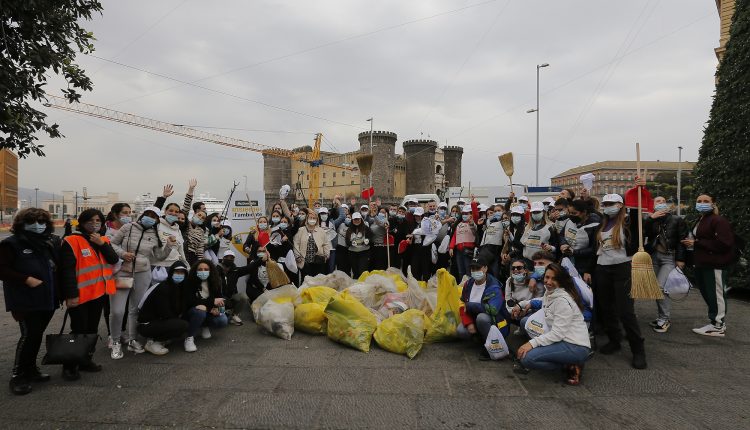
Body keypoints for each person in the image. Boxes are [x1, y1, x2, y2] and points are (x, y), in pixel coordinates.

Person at [0, 208, 61, 395]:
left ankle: (31, 369)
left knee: (36, 335)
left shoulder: (47, 243)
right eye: (32, 221)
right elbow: (2, 269)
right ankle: (18, 375)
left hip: (47, 298)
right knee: (28, 335)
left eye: (42, 221)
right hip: (24, 299)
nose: (38, 225)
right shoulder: (11, 244)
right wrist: (26, 279)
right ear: (21, 223)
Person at [58, 209, 119, 381]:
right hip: (79, 295)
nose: (95, 223)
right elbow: (67, 271)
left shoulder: (103, 239)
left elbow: (113, 259)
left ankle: (85, 360)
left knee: (91, 329)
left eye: (98, 220)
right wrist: (71, 295)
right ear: (82, 222)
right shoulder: (72, 241)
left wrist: (102, 244)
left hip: (98, 293)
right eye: (91, 220)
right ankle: (69, 366)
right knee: (78, 330)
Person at [109, 206, 176, 360]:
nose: (150, 218)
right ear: (142, 215)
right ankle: (116, 340)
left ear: (157, 220)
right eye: (148, 215)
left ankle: (133, 340)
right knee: (117, 311)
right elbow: (112, 244)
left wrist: (169, 245)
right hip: (123, 272)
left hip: (143, 273)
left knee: (135, 309)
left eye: (154, 216)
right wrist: (123, 254)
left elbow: (159, 256)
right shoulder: (127, 227)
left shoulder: (155, 234)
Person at [594, 193, 646, 369]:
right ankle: (614, 340)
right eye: (605, 203)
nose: (607, 206)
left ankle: (638, 349)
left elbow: (640, 208)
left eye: (611, 203)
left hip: (623, 267)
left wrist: (640, 187)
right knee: (606, 308)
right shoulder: (603, 223)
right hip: (602, 268)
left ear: (620, 204)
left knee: (625, 311)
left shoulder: (628, 221)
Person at [516, 263, 591, 386]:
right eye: (547, 277)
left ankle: (570, 365)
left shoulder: (562, 301)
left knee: (527, 358)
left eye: (554, 278)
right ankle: (567, 362)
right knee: (527, 323)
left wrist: (531, 343)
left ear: (561, 281)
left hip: (575, 346)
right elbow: (542, 301)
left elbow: (557, 334)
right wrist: (522, 304)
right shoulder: (551, 293)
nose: (548, 281)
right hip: (563, 340)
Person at [682, 193, 735, 337]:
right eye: (699, 201)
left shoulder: (718, 220)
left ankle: (718, 325)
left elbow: (725, 243)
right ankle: (714, 322)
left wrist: (697, 243)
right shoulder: (702, 219)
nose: (701, 203)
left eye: (706, 201)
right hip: (702, 263)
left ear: (713, 203)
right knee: (708, 294)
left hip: (715, 264)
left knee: (716, 295)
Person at [643, 196, 688, 333]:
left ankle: (665, 318)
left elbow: (682, 240)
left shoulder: (676, 220)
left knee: (660, 287)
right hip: (654, 256)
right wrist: (651, 218)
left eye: (663, 201)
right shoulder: (652, 220)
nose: (661, 203)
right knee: (656, 289)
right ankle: (661, 317)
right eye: (658, 201)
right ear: (653, 205)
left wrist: (680, 259)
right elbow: (642, 232)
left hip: (669, 257)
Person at [456, 257, 508, 360]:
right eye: (473, 269)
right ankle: (481, 338)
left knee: (482, 318)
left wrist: (470, 305)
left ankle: (492, 346)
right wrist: (469, 323)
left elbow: (493, 310)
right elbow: (462, 304)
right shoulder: (468, 283)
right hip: (475, 319)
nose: (475, 272)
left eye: (478, 268)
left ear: (485, 268)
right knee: (461, 331)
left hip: (497, 322)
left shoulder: (494, 287)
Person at [136, 261, 190, 355]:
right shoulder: (164, 287)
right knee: (182, 325)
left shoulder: (179, 288)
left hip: (159, 321)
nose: (179, 275)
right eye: (177, 272)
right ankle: (153, 342)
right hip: (147, 324)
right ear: (171, 272)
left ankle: (162, 338)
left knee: (182, 323)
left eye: (182, 273)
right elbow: (164, 312)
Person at [181, 259, 228, 352]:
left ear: (211, 271)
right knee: (200, 312)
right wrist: (211, 303)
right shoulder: (189, 282)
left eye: (206, 269)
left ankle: (204, 325)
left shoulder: (215, 281)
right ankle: (189, 338)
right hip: (192, 311)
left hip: (208, 310)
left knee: (223, 320)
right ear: (195, 270)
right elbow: (190, 301)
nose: (203, 272)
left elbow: (221, 299)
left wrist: (220, 311)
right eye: (200, 269)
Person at [560, 199, 601, 285]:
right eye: (570, 213)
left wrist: (575, 252)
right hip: (570, 263)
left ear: (584, 212)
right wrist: (563, 244)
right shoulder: (570, 221)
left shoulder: (595, 225)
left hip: (585, 265)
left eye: (574, 213)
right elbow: (561, 235)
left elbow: (595, 249)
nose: (571, 216)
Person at [293, 208, 331, 280]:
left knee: (318, 281)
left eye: (314, 218)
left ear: (317, 220)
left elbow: (326, 243)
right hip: (304, 260)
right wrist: (297, 256)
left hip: (318, 261)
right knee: (306, 281)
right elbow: (296, 243)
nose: (312, 219)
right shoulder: (301, 230)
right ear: (307, 219)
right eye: (310, 218)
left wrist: (326, 255)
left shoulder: (321, 231)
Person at [216, 250, 252, 325]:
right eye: (227, 257)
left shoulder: (236, 271)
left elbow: (249, 267)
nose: (229, 259)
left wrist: (261, 260)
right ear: (223, 258)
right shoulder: (216, 270)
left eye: (231, 257)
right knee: (222, 321)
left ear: (234, 259)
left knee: (243, 297)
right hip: (219, 299)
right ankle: (224, 314)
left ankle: (234, 315)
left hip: (231, 297)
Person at [504, 259, 540, 328]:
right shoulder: (509, 281)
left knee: (524, 321)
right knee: (501, 316)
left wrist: (524, 311)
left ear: (525, 270)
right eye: (513, 268)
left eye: (519, 268)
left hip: (530, 310)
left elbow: (537, 301)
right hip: (515, 310)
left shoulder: (533, 282)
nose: (516, 270)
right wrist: (513, 311)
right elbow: (508, 299)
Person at [449, 206, 477, 281]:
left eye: (466, 213)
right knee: (461, 271)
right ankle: (462, 288)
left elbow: (476, 216)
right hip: (459, 251)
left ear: (471, 214)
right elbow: (454, 237)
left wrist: (473, 204)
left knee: (468, 271)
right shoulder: (459, 224)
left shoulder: (473, 223)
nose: (464, 215)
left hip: (468, 250)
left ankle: (470, 287)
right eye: (463, 213)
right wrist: (451, 247)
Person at [346, 212, 372, 278]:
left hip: (364, 252)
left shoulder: (366, 228)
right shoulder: (349, 229)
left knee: (362, 271)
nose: (357, 221)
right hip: (353, 253)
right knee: (355, 271)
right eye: (355, 219)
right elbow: (347, 241)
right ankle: (356, 285)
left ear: (361, 219)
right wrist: (351, 243)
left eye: (358, 219)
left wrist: (368, 240)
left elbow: (371, 237)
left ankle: (363, 285)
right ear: (352, 220)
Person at [335, 211, 352, 276]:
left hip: (349, 248)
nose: (348, 218)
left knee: (348, 268)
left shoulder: (353, 226)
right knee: (340, 268)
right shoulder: (340, 225)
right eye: (346, 217)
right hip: (340, 248)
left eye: (349, 217)